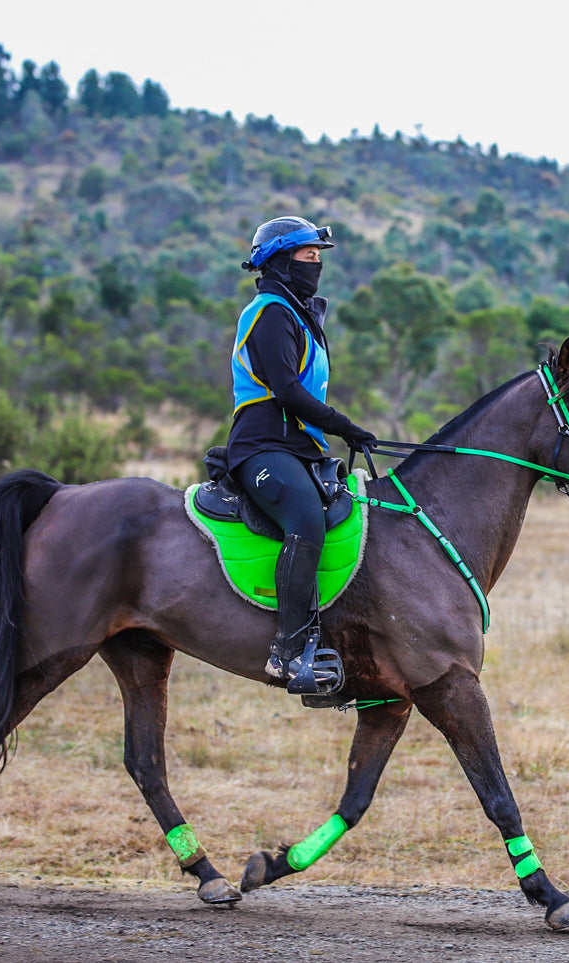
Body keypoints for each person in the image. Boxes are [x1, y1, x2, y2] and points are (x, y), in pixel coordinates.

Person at [228, 216, 376, 694]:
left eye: (318, 257)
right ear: (280, 262)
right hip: (263, 447)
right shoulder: (270, 312)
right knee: (306, 519)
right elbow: (288, 392)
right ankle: (288, 653)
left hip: (298, 448)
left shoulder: (296, 312)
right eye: (308, 256)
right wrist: (345, 427)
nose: (316, 264)